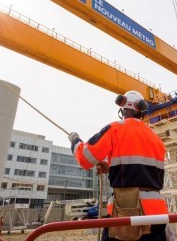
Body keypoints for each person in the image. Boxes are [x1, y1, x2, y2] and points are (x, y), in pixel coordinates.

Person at [68, 90, 168, 241]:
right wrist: (111, 166)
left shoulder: (115, 128)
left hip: (126, 212)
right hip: (157, 214)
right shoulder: (156, 139)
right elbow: (145, 171)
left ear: (123, 110)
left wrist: (75, 141)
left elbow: (85, 158)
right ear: (141, 112)